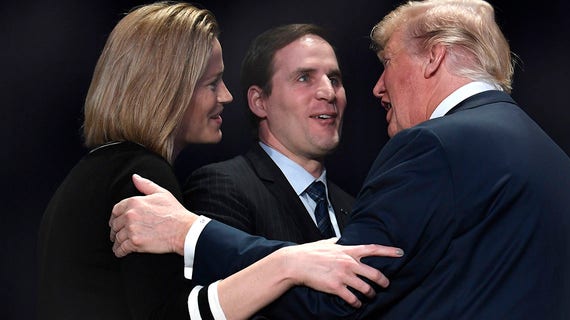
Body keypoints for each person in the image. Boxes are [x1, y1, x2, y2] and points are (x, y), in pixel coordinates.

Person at [109, 0, 570, 318]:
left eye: (386, 64)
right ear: (257, 101)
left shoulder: (437, 148)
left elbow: (341, 291)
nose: (374, 87)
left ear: (434, 57)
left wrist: (188, 234)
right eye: (305, 77)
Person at [36, 2, 403, 320]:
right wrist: (288, 264)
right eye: (212, 83)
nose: (226, 96)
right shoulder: (141, 174)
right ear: (169, 88)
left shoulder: (98, 171)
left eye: (335, 79)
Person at [183, 23, 353, 243]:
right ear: (259, 102)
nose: (328, 92)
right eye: (304, 78)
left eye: (334, 80)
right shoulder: (221, 188)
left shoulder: (355, 209)